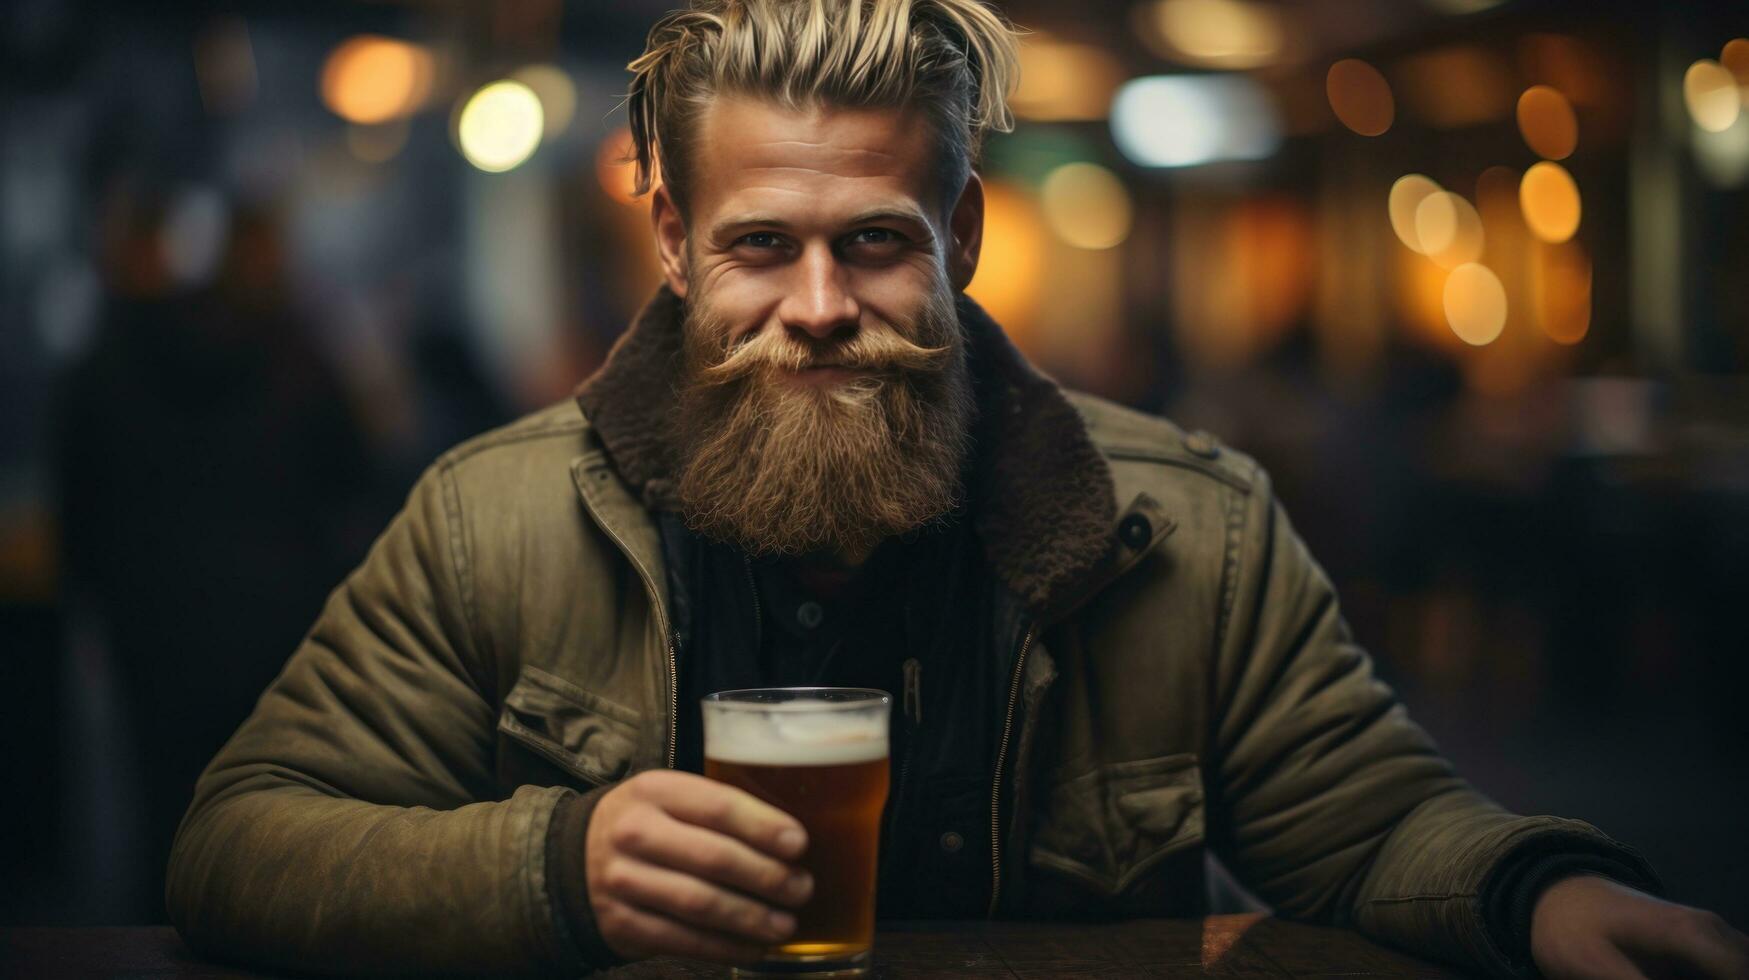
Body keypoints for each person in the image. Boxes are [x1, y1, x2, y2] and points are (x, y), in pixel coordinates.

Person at [166, 2, 1749, 977]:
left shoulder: (1184, 522)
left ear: (963, 238)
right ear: (670, 246)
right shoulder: (495, 515)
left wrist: (1534, 896)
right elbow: (239, 845)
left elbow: (1367, 823)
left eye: (873, 242)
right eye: (757, 247)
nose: (817, 307)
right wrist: (549, 868)